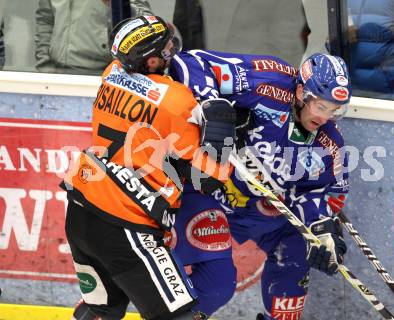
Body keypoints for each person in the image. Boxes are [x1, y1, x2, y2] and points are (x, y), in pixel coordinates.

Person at [60, 16, 236, 320]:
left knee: (102, 311)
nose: (172, 47)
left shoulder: (111, 72)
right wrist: (221, 136)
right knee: (178, 315)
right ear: (153, 60)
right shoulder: (177, 99)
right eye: (166, 46)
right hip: (125, 224)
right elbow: (208, 177)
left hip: (80, 210)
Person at [168, 51, 351, 319]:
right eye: (321, 107)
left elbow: (326, 195)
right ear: (301, 92)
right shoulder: (269, 82)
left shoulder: (330, 143)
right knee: (217, 285)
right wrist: (214, 108)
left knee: (298, 246)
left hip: (259, 211)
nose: (325, 118)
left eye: (335, 110)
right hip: (208, 193)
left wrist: (322, 228)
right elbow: (189, 62)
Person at [35, 0, 153, 74]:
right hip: (54, 76)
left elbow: (145, 20)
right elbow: (45, 19)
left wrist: (120, 4)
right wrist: (45, 66)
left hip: (100, 75)